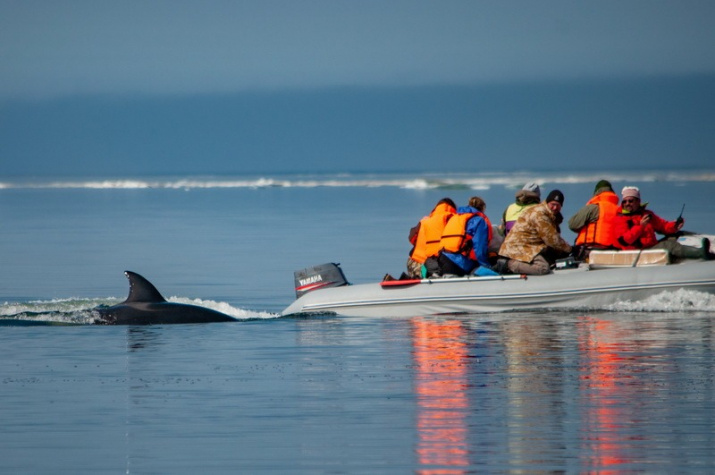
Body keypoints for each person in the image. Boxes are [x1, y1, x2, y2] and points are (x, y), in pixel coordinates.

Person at [613, 186, 711, 260]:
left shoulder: (646, 214)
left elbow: (663, 226)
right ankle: (700, 253)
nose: (627, 204)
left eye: (630, 201)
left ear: (638, 201)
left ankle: (705, 242)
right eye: (625, 201)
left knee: (677, 235)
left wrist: (675, 225)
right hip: (637, 251)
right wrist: (640, 226)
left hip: (651, 245)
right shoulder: (621, 218)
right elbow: (624, 240)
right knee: (668, 245)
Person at [497, 189, 572, 275]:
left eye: (558, 205)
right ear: (547, 202)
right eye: (553, 204)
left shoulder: (547, 213)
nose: (555, 208)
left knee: (552, 255)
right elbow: (552, 240)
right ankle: (509, 265)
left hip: (528, 246)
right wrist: (570, 249)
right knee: (543, 268)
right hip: (519, 247)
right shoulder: (540, 213)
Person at [426, 196, 495, 277]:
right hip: (459, 262)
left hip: (443, 258)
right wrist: (486, 266)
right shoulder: (479, 220)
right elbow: (479, 248)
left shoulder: (455, 217)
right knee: (485, 270)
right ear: (483, 209)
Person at [406, 198, 457, 278]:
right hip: (430, 264)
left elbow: (411, 239)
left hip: (413, 263)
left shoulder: (425, 221)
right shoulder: (451, 219)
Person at [568, 179, 619, 255]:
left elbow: (572, 224)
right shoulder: (619, 210)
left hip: (591, 250)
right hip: (613, 252)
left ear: (596, 192)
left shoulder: (593, 208)